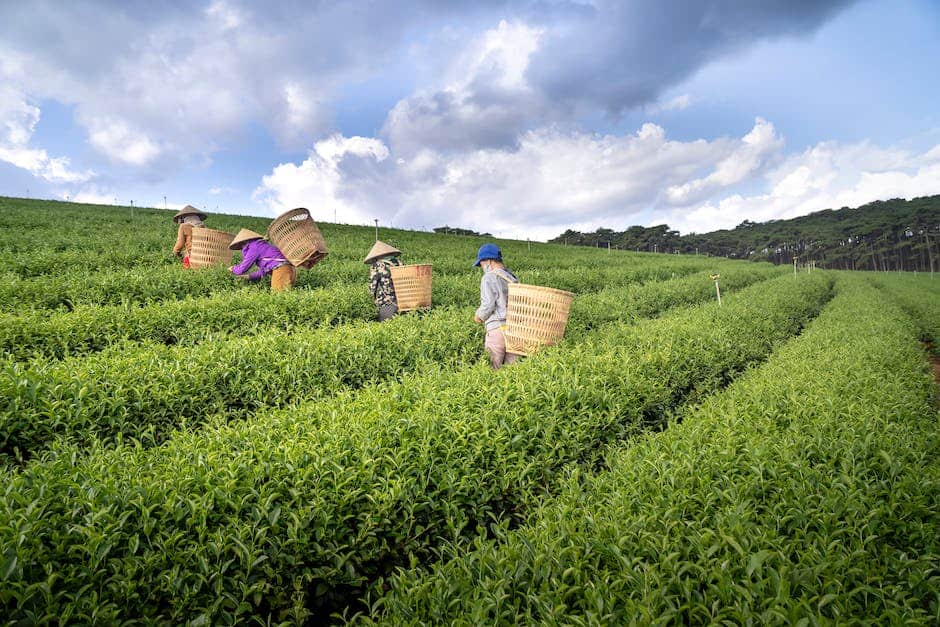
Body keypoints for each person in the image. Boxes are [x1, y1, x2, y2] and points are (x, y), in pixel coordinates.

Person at [473, 243, 521, 369]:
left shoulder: (489, 277)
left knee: (493, 368)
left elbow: (488, 305)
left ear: (488, 260)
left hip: (497, 329)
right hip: (515, 329)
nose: (482, 267)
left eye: (482, 263)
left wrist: (479, 317)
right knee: (513, 370)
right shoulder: (512, 277)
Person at [228, 228, 296, 291]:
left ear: (244, 242)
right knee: (285, 297)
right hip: (287, 269)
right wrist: (248, 277)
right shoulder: (260, 246)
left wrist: (233, 269)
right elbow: (263, 272)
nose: (241, 248)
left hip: (281, 269)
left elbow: (243, 268)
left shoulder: (254, 247)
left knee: (278, 297)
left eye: (241, 246)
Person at [364, 240, 403, 321]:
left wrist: (369, 300)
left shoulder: (377, 265)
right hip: (403, 301)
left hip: (387, 302)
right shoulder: (400, 263)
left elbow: (372, 286)